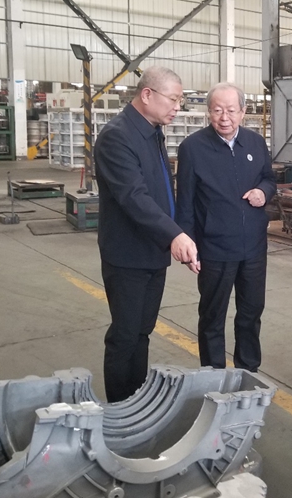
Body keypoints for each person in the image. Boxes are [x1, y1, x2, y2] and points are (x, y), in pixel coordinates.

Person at [95, 66, 199, 403]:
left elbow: (162, 191)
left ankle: (136, 400)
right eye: (173, 99)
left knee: (142, 332)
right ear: (147, 95)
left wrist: (177, 235)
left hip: (154, 252)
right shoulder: (117, 137)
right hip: (127, 256)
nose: (177, 107)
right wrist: (174, 236)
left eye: (180, 101)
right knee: (125, 336)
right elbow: (134, 197)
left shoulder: (152, 131)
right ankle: (119, 409)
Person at [176, 82, 276, 372]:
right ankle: (213, 374)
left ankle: (248, 371)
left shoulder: (255, 143)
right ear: (209, 112)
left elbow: (269, 178)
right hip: (214, 249)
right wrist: (188, 246)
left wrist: (263, 192)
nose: (224, 117)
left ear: (243, 112)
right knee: (212, 316)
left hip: (253, 248)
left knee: (251, 313)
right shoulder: (192, 148)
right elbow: (185, 202)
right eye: (217, 110)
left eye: (231, 110)